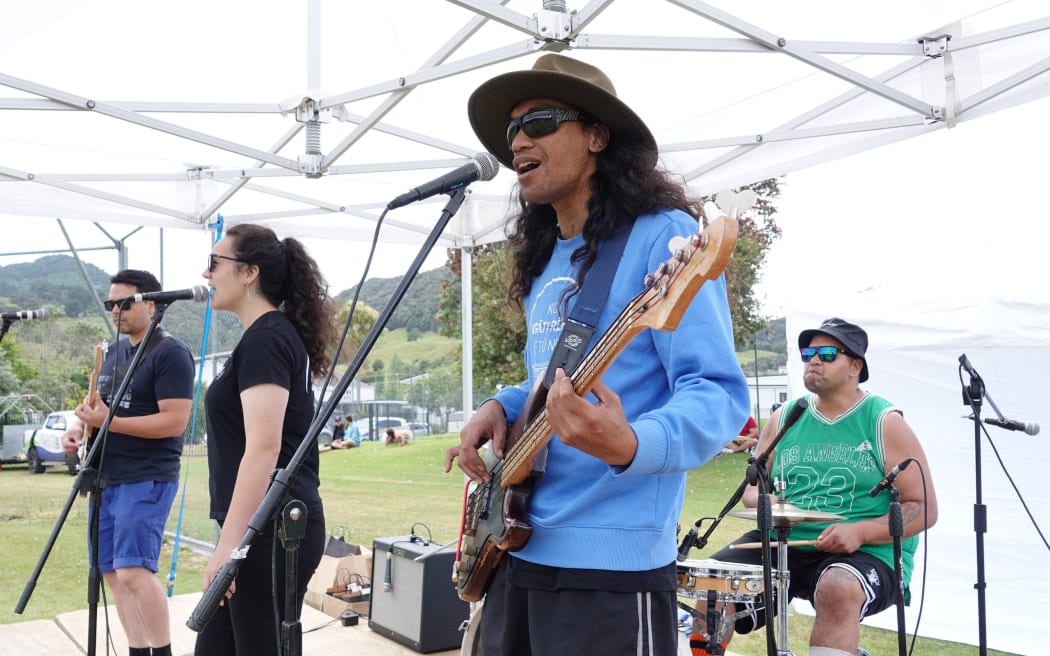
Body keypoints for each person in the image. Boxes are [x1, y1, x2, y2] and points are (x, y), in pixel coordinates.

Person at [443, 53, 750, 655]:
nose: (518, 140)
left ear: (596, 136)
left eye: (540, 122)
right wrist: (501, 406)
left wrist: (632, 444)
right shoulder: (543, 256)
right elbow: (549, 379)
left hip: (611, 569)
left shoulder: (663, 237)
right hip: (516, 543)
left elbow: (716, 390)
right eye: (511, 131)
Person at [691, 317, 939, 656]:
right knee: (714, 585)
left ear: (855, 366)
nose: (813, 360)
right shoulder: (786, 416)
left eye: (826, 353)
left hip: (866, 552)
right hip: (786, 541)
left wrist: (862, 531)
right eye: (809, 352)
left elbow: (923, 508)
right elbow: (751, 487)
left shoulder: (884, 422)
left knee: (838, 587)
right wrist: (767, 501)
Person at [194, 224, 337, 656]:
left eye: (215, 263)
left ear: (249, 272)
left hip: (273, 532)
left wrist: (230, 547)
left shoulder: (267, 340)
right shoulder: (262, 338)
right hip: (260, 530)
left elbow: (263, 448)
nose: (206, 274)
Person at [61, 269, 195, 656]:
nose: (115, 310)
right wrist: (78, 427)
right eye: (110, 304)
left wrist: (108, 421)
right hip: (106, 478)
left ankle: (163, 651)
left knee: (134, 571)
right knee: (111, 573)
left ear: (152, 304)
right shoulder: (115, 352)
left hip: (146, 477)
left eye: (124, 302)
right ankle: (138, 651)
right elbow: (96, 404)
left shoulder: (169, 352)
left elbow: (175, 422)